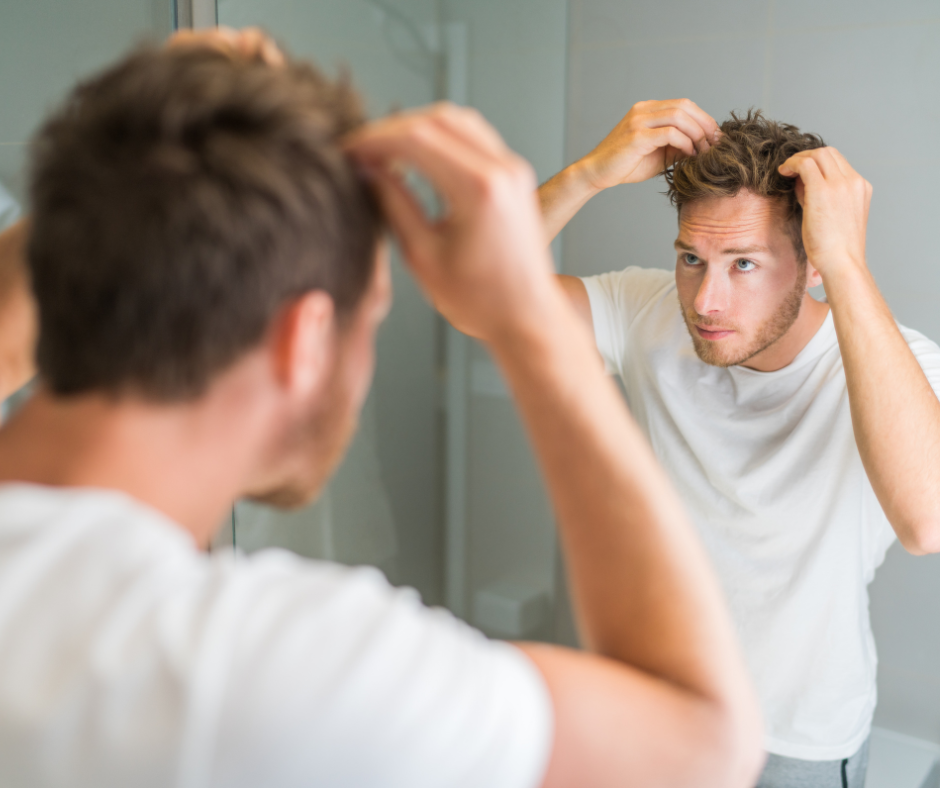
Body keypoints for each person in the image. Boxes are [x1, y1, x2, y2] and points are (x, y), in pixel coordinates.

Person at [0, 29, 764, 788]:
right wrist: (523, 317)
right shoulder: (266, 673)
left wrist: (135, 164)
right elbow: (705, 740)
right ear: (304, 339)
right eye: (372, 316)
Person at [540, 99, 940, 787]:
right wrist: (585, 175)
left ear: (812, 264)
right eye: (692, 258)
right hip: (657, 714)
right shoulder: (648, 313)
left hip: (796, 745)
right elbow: (475, 299)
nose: (705, 301)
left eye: (744, 264)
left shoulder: (892, 362)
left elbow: (927, 520)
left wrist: (845, 261)